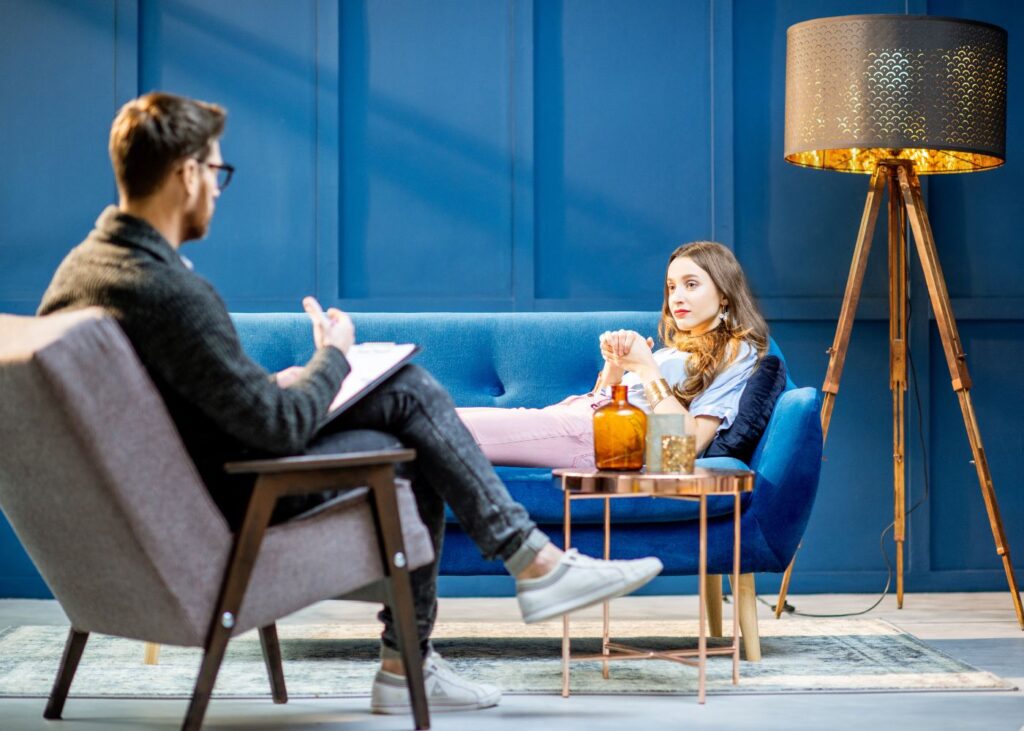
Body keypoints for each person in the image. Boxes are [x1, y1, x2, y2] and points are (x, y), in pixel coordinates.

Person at [36, 92, 663, 715]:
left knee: (404, 404)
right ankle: (483, 603)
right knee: (410, 414)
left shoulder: (85, 272)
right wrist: (332, 357)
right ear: (186, 173)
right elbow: (277, 429)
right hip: (235, 498)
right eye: (217, 172)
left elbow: (189, 404)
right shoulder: (170, 291)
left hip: (169, 495)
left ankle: (497, 591)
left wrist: (287, 379)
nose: (219, 191)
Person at [457, 241, 770, 468]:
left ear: (724, 294)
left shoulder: (737, 351)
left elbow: (683, 449)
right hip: (576, 419)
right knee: (441, 420)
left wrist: (646, 369)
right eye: (672, 287)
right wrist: (615, 366)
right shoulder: (677, 351)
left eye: (691, 284)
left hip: (598, 438)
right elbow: (603, 400)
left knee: (447, 432)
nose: (676, 297)